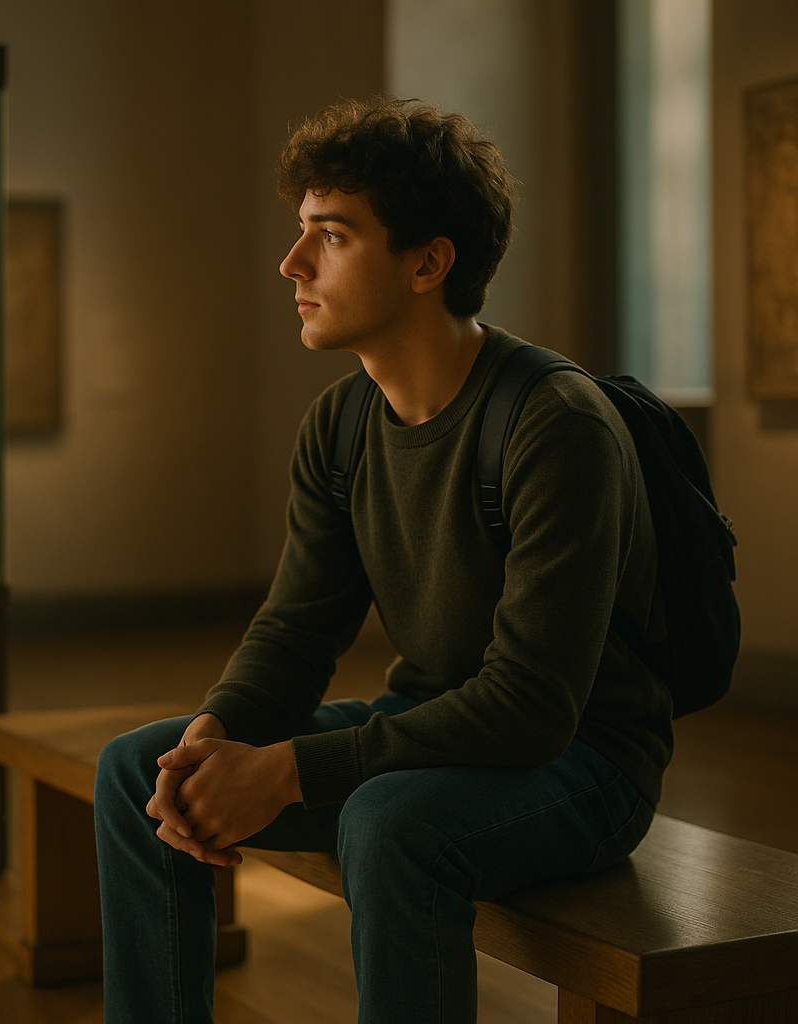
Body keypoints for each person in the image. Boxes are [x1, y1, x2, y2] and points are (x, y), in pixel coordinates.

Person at [93, 96, 673, 1024]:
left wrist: (285, 769)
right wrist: (217, 733)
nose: (292, 263)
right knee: (140, 771)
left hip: (585, 763)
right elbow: (296, 626)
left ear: (428, 263)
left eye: (331, 235)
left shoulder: (554, 424)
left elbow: (532, 707)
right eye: (300, 232)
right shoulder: (342, 423)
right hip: (435, 725)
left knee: (389, 823)